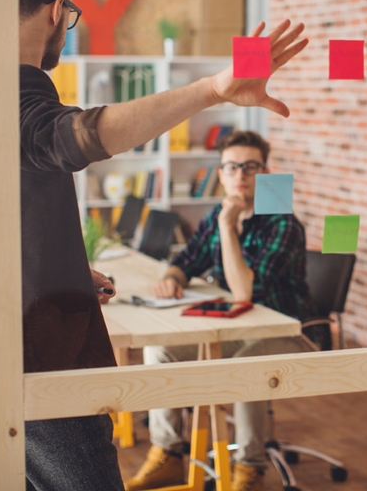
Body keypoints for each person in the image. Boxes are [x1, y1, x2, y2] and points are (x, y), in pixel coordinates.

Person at [0, 0, 307, 491]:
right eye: (71, 14)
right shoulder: (15, 83)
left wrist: (59, 272)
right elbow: (72, 139)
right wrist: (212, 89)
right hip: (35, 354)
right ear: (57, 9)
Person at [124, 130, 316, 491]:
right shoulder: (216, 215)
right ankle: (166, 452)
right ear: (221, 173)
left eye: (250, 167)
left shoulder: (283, 223)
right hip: (237, 328)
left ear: (265, 171)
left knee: (244, 367)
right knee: (160, 350)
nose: (240, 175)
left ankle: (249, 465)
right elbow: (186, 259)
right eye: (231, 167)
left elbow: (245, 292)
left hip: (289, 332)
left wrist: (229, 226)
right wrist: (173, 277)